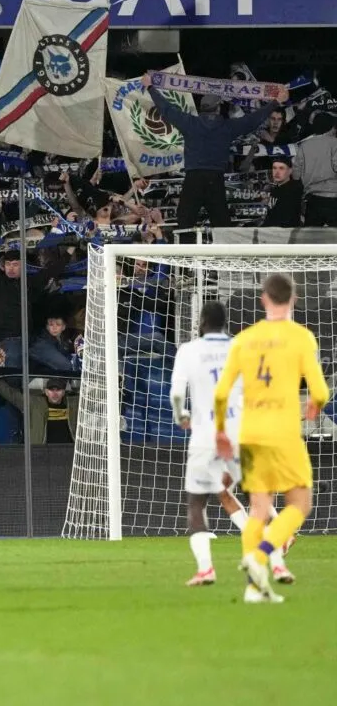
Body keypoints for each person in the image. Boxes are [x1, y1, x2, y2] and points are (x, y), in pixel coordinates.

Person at [214, 273, 330, 603]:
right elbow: (319, 389)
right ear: (293, 300)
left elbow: (222, 392)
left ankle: (255, 587)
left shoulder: (243, 340)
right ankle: (263, 553)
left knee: (258, 508)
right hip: (283, 432)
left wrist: (222, 430)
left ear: (263, 300)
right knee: (301, 502)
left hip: (251, 432)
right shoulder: (301, 337)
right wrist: (314, 404)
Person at [169, 302, 265, 586]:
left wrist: (181, 415)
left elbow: (177, 392)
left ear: (201, 322)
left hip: (204, 436)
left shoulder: (188, 350)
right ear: (225, 323)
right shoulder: (242, 347)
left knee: (197, 502)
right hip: (239, 433)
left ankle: (205, 569)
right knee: (252, 496)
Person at [145, 87, 279, 230]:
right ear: (218, 108)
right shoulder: (227, 127)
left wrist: (150, 88)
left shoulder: (190, 123)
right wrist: (275, 102)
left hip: (193, 179)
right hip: (215, 179)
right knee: (222, 224)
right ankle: (224, 252)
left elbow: (167, 109)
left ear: (202, 109)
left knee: (184, 222)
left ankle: (185, 251)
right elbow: (252, 120)